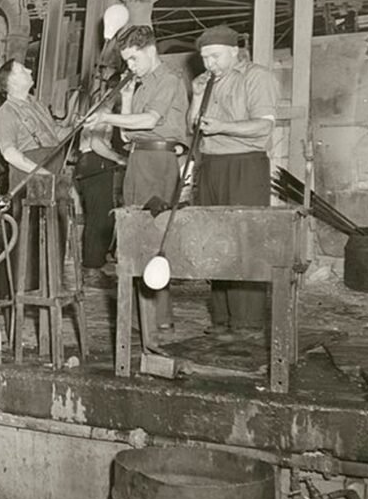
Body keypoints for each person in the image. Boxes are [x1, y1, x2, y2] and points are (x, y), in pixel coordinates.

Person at [89, 25, 190, 326]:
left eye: (133, 59)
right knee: (133, 234)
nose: (130, 67)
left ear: (150, 50)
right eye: (127, 61)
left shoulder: (169, 79)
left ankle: (159, 317)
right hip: (138, 158)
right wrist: (128, 97)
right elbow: (126, 134)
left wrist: (105, 115)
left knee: (154, 236)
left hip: (159, 160)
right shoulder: (142, 83)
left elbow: (150, 120)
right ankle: (139, 315)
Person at [189, 24, 278, 341]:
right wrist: (197, 95)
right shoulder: (208, 82)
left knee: (245, 241)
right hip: (211, 165)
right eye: (204, 58)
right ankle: (223, 318)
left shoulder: (257, 77)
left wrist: (223, 127)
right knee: (215, 241)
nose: (208, 64)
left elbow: (263, 128)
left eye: (214, 56)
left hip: (245, 165)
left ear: (233, 51)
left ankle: (248, 322)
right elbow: (194, 126)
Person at [0, 59, 77, 284]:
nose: (30, 70)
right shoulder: (5, 113)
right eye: (22, 70)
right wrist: (42, 173)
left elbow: (56, 134)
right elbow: (9, 153)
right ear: (10, 81)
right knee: (27, 242)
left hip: (52, 176)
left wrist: (78, 126)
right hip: (28, 180)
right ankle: (23, 292)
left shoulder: (37, 104)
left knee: (56, 235)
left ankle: (51, 285)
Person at [74, 121, 126, 289]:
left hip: (92, 163)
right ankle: (92, 269)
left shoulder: (100, 112)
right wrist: (119, 158)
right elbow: (96, 144)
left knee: (100, 216)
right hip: (96, 162)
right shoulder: (102, 113)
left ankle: (95, 266)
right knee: (99, 217)